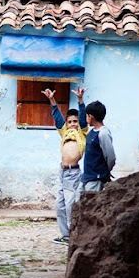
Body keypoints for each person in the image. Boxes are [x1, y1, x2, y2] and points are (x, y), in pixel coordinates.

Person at [42, 86, 89, 246]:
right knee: (60, 206)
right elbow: (58, 117)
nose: (73, 124)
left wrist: (80, 100)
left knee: (70, 205)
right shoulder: (64, 132)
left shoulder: (82, 132)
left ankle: (73, 235)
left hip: (73, 173)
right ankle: (65, 235)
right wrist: (52, 100)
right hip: (62, 172)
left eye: (75, 122)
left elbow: (83, 119)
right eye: (70, 122)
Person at [81, 100, 116, 192]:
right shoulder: (91, 132)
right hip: (87, 176)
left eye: (87, 115)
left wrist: (104, 172)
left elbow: (110, 157)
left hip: (96, 178)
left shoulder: (103, 133)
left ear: (90, 117)